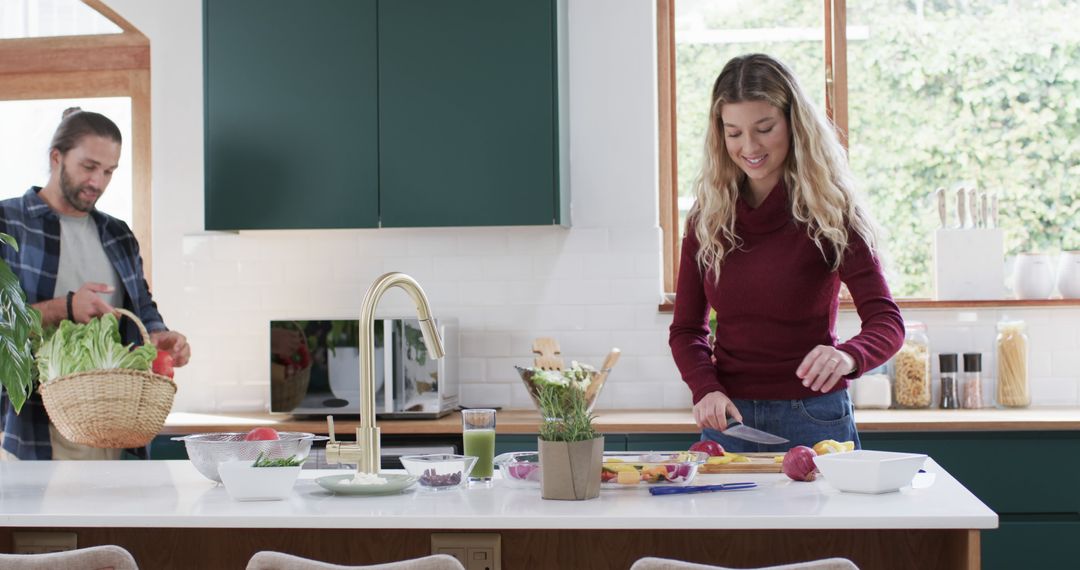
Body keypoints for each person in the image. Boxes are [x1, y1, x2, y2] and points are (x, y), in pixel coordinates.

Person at [669, 54, 904, 452]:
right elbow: (687, 330)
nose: (749, 147)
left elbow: (887, 322)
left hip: (815, 416)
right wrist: (703, 388)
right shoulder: (706, 218)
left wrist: (848, 357)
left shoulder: (831, 212)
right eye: (734, 133)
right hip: (729, 421)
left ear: (794, 125)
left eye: (764, 128)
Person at [0, 108, 191, 460]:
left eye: (109, 171)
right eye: (89, 167)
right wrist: (64, 308)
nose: (98, 182)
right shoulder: (9, 224)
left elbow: (143, 309)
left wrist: (160, 336)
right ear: (56, 158)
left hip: (118, 433)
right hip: (34, 434)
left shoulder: (117, 234)